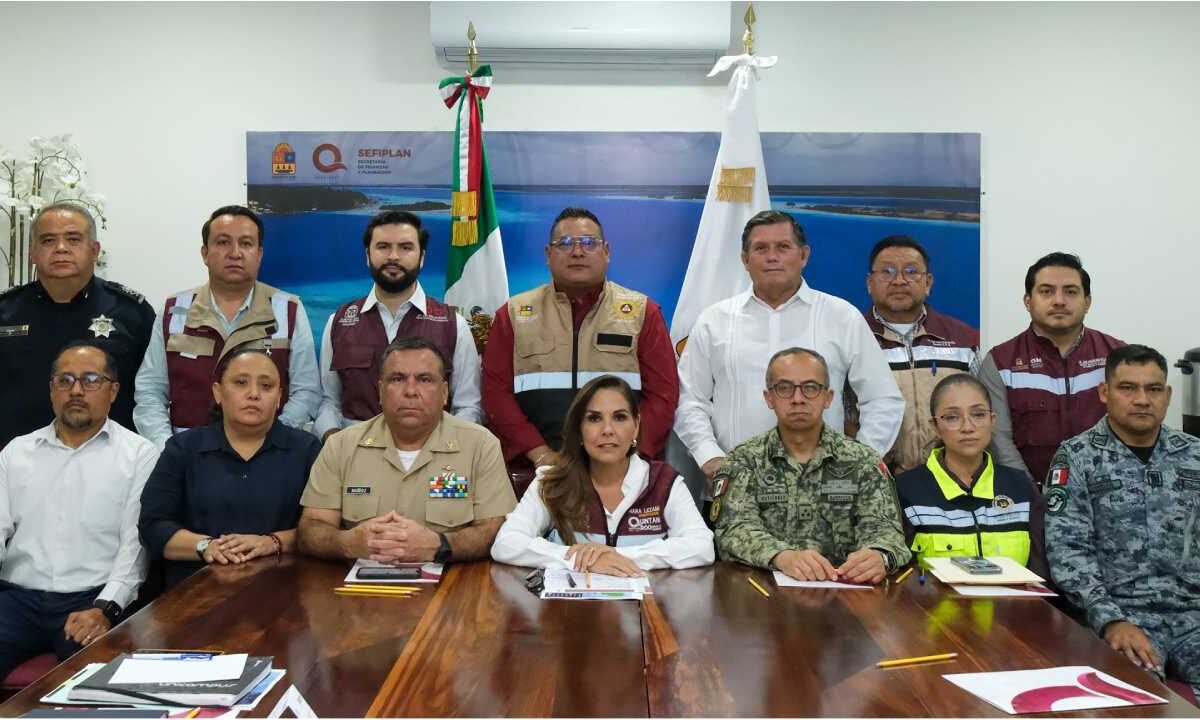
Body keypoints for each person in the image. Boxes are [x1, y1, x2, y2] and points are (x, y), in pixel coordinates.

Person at [676, 210, 904, 496]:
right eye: (760, 248)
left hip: (824, 491)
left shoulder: (841, 316)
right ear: (745, 259)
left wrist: (858, 462)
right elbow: (689, 400)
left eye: (783, 247)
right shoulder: (714, 320)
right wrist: (709, 457)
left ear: (804, 255)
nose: (772, 257)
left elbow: (883, 398)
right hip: (737, 488)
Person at [1046, 344, 1200, 699]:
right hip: (1121, 616)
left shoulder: (1193, 454)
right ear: (1105, 393)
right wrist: (1110, 619)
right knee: (1133, 696)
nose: (1142, 399)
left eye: (1154, 389)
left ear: (1168, 394)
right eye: (1128, 388)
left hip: (1192, 616)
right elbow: (1068, 551)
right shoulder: (1077, 456)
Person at [480, 207, 679, 476]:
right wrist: (539, 453)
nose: (577, 252)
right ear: (548, 255)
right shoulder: (513, 314)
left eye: (589, 243)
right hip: (537, 471)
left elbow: (662, 396)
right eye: (564, 244)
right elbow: (495, 395)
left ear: (606, 251)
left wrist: (629, 455)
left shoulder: (643, 312)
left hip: (625, 471)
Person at [0, 342, 158, 678]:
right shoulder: (16, 453)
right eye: (65, 380)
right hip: (16, 600)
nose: (76, 390)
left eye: (90, 380)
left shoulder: (139, 455)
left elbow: (135, 547)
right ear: (51, 390)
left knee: (101, 688)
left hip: (91, 598)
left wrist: (106, 608)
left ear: (113, 391)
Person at [298, 337, 516, 564]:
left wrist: (440, 545)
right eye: (397, 379)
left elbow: (494, 530)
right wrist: (348, 542)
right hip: (359, 591)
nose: (411, 391)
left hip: (451, 588)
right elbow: (311, 528)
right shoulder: (341, 446)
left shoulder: (480, 446)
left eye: (424, 379)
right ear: (380, 391)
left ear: (444, 393)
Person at [713, 347, 910, 584]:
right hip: (765, 595)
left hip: (845, 593)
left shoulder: (862, 461)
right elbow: (733, 531)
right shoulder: (744, 460)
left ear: (828, 397)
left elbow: (886, 530)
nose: (798, 399)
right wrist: (782, 556)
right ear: (769, 398)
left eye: (810, 388)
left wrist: (879, 555)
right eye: (785, 388)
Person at [134, 205, 320, 447]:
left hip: (266, 457)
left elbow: (306, 392)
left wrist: (271, 444)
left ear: (259, 253)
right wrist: (167, 449)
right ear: (204, 253)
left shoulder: (288, 309)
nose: (235, 253)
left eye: (246, 243)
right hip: (187, 456)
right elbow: (150, 391)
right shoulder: (175, 310)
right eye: (223, 242)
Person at [138, 347, 322, 587]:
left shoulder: (306, 449)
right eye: (241, 383)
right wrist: (207, 546)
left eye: (266, 386)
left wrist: (272, 542)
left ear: (279, 398)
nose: (254, 394)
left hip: (284, 592)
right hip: (196, 593)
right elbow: (152, 527)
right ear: (218, 392)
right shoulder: (183, 449)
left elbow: (322, 528)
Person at [491, 375, 713, 573]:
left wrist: (619, 557)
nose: (608, 430)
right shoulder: (552, 480)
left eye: (619, 417)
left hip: (644, 612)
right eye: (594, 418)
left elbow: (702, 547)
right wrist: (578, 558)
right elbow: (506, 543)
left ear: (636, 426)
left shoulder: (663, 482)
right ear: (579, 429)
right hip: (567, 612)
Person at [315, 210, 482, 440]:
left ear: (422, 256)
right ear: (367, 255)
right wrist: (336, 444)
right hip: (355, 456)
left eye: (405, 247)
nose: (393, 256)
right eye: (383, 246)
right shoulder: (340, 322)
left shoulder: (453, 325)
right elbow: (328, 402)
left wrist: (445, 450)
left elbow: (468, 407)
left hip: (434, 455)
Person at [0, 202, 155, 448]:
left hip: (111, 462)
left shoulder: (131, 312)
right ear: (32, 252)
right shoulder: (6, 311)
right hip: (17, 462)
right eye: (48, 240)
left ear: (94, 250)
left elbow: (152, 394)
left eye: (73, 239)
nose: (61, 249)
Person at [977, 252, 1123, 484]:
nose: (1059, 301)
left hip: (1106, 494)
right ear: (1028, 301)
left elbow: (1131, 428)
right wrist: (1032, 496)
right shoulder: (1001, 362)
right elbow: (998, 439)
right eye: (1046, 291)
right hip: (1030, 498)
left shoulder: (1116, 356)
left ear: (1087, 301)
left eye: (1070, 291)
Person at [894, 374, 1047, 577]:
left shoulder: (1019, 486)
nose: (967, 427)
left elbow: (1041, 572)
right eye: (952, 417)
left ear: (992, 420)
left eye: (978, 414)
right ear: (935, 427)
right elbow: (902, 577)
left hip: (1014, 607)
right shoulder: (906, 490)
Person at [858, 235, 979, 473]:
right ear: (869, 282)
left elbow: (981, 413)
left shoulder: (965, 340)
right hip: (876, 479)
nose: (899, 281)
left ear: (928, 282)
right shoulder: (853, 339)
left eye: (911, 271)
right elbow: (840, 415)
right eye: (887, 272)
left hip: (952, 479)